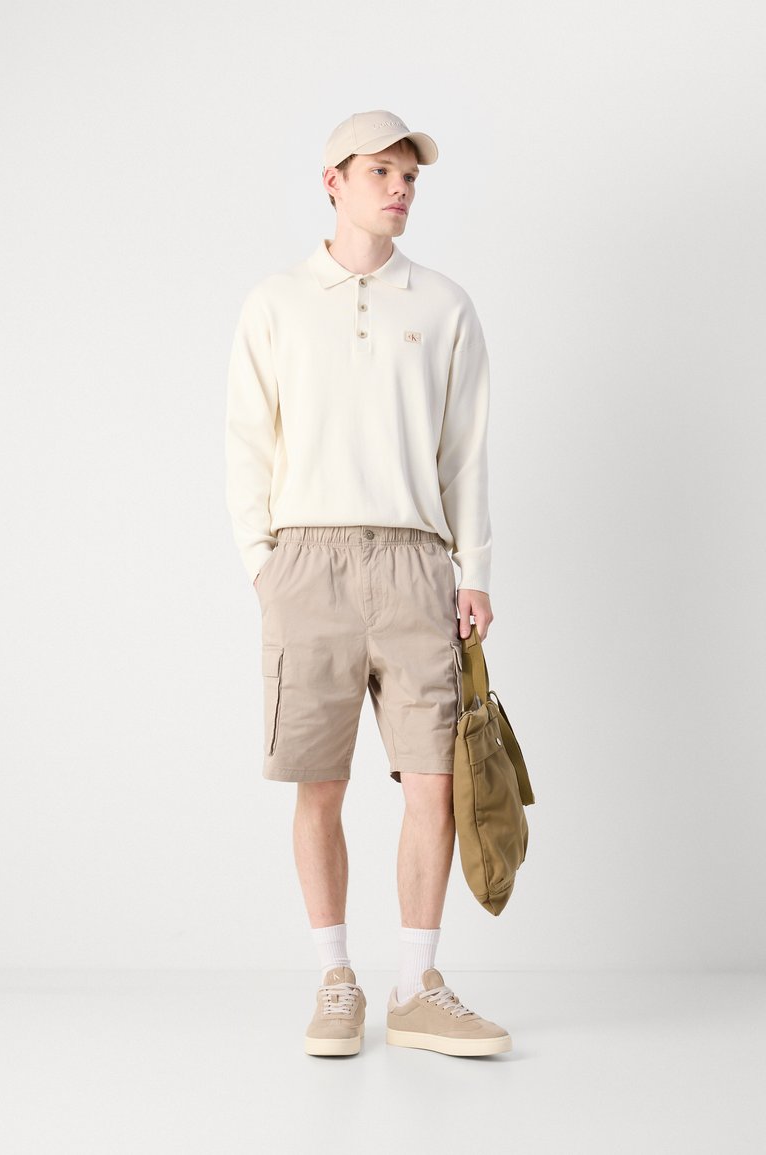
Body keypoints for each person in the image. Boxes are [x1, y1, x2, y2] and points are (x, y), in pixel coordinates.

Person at [225, 109, 511, 1058]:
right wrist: (264, 564)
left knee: (434, 780)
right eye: (380, 171)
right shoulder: (276, 302)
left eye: (410, 176)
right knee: (320, 784)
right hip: (306, 562)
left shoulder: (445, 304)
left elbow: (465, 451)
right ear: (333, 182)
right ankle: (336, 977)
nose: (399, 189)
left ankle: (416, 984)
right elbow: (247, 441)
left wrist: (473, 569)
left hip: (417, 562)